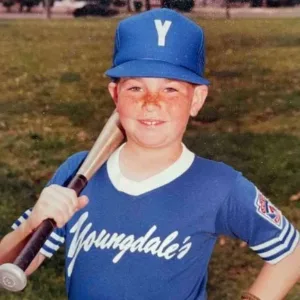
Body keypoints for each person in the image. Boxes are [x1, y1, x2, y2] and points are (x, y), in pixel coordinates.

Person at [1, 8, 299, 300]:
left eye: (170, 89)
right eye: (135, 88)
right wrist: (31, 224)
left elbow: (291, 252)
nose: (151, 102)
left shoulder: (218, 185)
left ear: (197, 99)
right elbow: (10, 269)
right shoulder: (79, 171)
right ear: (115, 96)